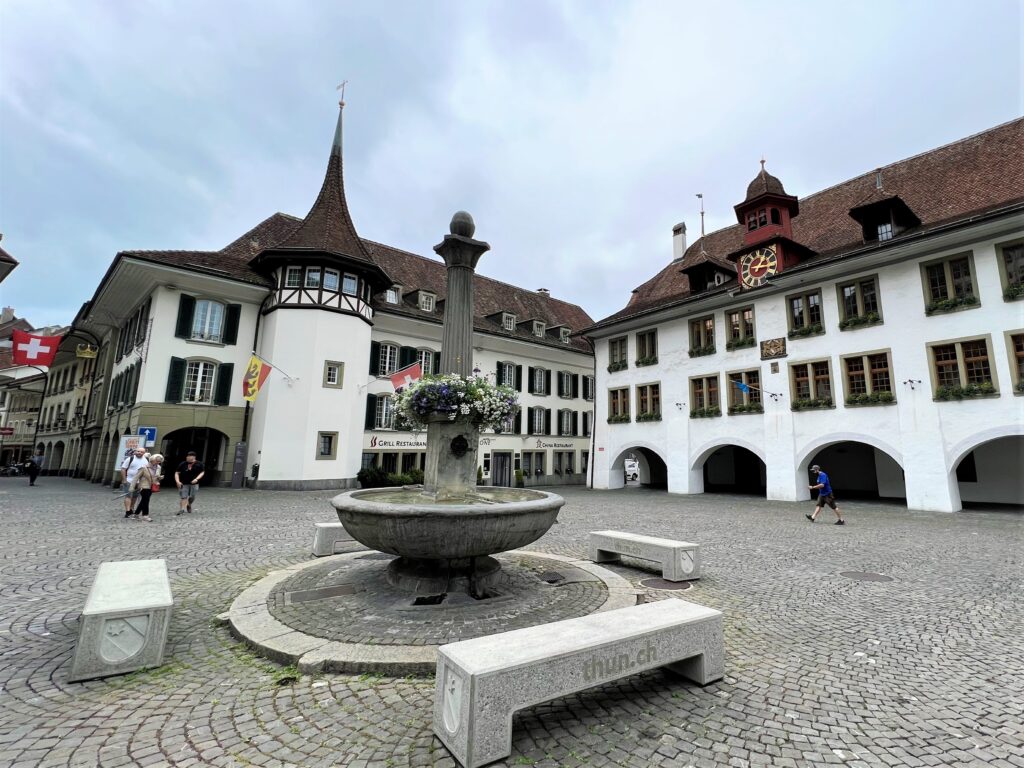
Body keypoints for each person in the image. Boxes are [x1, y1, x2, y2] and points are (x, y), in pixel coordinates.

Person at [120, 447, 149, 518]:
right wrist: (124, 480)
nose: (139, 453)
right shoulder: (130, 459)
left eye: (141, 452)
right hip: (129, 481)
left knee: (135, 497)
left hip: (140, 482)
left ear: (144, 453)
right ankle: (127, 511)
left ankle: (131, 509)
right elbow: (123, 469)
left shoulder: (146, 460)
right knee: (128, 496)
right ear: (135, 451)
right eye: (138, 451)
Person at [175, 451, 205, 516]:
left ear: (193, 457)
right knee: (184, 496)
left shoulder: (199, 464)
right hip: (184, 483)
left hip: (194, 484)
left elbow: (202, 472)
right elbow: (177, 473)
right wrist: (177, 481)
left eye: (188, 456)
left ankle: (189, 504)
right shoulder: (183, 464)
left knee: (192, 496)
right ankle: (182, 509)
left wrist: (196, 479)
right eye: (187, 456)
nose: (187, 457)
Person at [131, 454, 157, 521]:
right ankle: (145, 515)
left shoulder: (157, 467)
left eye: (159, 461)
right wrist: (132, 487)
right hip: (144, 486)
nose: (158, 462)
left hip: (151, 486)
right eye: (157, 461)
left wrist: (158, 478)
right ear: (152, 460)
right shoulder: (143, 467)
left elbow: (155, 477)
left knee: (144, 500)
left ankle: (136, 514)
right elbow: (136, 477)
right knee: (146, 500)